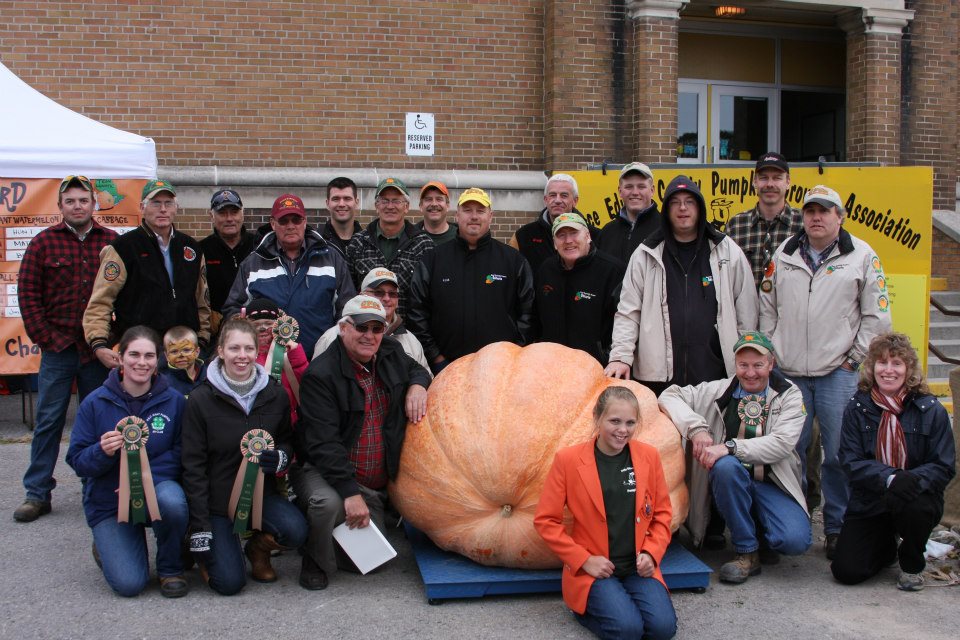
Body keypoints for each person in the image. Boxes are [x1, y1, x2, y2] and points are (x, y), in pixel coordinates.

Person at [759, 184, 893, 559]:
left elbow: (877, 316)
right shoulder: (784, 253)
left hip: (838, 373)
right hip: (789, 373)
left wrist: (855, 359)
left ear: (840, 216)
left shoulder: (862, 256)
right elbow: (766, 305)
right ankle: (792, 524)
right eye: (810, 211)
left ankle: (837, 528)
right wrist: (771, 350)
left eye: (825, 211)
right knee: (789, 452)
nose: (816, 218)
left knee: (837, 455)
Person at [292, 295, 431, 590]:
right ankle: (314, 558)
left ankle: (332, 531)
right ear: (343, 327)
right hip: (325, 469)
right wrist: (349, 493)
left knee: (371, 563)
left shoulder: (391, 352)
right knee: (327, 504)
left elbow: (417, 369)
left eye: (376, 328)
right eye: (361, 327)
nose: (369, 335)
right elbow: (324, 445)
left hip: (370, 480)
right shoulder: (321, 375)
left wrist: (418, 385)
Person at [658, 331, 811, 583]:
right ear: (735, 365)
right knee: (726, 468)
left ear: (771, 364)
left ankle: (765, 535)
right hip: (731, 482)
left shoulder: (790, 395)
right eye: (744, 365)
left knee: (794, 541)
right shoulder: (718, 389)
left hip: (773, 484)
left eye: (758, 365)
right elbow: (669, 395)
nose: (750, 373)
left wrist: (728, 446)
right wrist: (696, 428)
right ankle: (746, 552)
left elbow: (781, 443)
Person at [14, 175, 118, 523]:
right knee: (48, 421)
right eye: (70, 201)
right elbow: (28, 298)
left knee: (99, 421)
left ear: (94, 204)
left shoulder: (112, 243)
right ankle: (37, 493)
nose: (77, 206)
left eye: (83, 200)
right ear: (60, 206)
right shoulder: (43, 244)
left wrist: (108, 340)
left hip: (96, 352)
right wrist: (50, 339)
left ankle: (99, 488)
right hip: (58, 350)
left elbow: (125, 295)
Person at [534, 387, 676, 640]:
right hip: (596, 567)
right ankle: (584, 608)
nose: (623, 430)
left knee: (663, 630)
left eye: (630, 422)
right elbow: (546, 521)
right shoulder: (568, 460)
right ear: (597, 418)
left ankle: (618, 605)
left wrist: (652, 554)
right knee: (628, 630)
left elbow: (662, 513)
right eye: (615, 421)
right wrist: (584, 559)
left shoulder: (649, 456)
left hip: (637, 566)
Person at [181, 317, 308, 594]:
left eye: (248, 349)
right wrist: (201, 523)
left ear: (256, 350)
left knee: (296, 531)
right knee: (229, 584)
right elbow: (193, 466)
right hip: (217, 503)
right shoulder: (200, 400)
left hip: (260, 498)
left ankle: (256, 549)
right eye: (234, 348)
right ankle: (205, 553)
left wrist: (281, 457)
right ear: (221, 350)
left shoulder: (275, 394)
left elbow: (287, 439)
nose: (242, 356)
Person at [65, 326, 189, 598]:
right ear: (120, 358)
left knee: (173, 502)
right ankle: (106, 543)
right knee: (130, 584)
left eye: (149, 356)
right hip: (109, 500)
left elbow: (183, 452)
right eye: (134, 354)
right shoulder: (95, 402)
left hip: (156, 491)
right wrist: (101, 451)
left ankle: (170, 568)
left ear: (159, 361)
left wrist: (143, 479)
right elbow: (76, 460)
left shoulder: (175, 402)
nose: (141, 363)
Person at [605, 176, 757, 395]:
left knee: (712, 430)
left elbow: (746, 311)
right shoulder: (646, 254)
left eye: (690, 202)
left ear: (700, 208)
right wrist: (621, 357)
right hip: (659, 378)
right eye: (675, 202)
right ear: (666, 210)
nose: (683, 208)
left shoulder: (726, 250)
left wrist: (748, 357)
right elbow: (628, 313)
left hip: (715, 373)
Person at [831, 333, 956, 591]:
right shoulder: (857, 407)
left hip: (916, 497)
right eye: (882, 363)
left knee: (918, 507)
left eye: (897, 363)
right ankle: (886, 545)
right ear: (872, 367)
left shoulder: (931, 409)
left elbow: (944, 465)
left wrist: (911, 480)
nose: (889, 370)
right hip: (871, 498)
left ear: (908, 369)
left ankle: (912, 562)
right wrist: (890, 477)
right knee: (847, 571)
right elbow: (850, 460)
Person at [408, 187, 535, 373]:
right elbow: (417, 311)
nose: (474, 216)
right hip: (446, 367)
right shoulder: (433, 259)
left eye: (480, 211)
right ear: (457, 215)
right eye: (467, 210)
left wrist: (513, 353)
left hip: (499, 368)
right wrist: (435, 356)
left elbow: (528, 312)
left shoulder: (513, 260)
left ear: (490, 216)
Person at [84, 179, 211, 361]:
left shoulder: (191, 248)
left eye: (168, 203)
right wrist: (99, 343)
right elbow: (101, 301)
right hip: (140, 350)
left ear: (176, 208)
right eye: (155, 203)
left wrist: (203, 337)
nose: (163, 209)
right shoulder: (123, 248)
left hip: (184, 348)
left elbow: (202, 300)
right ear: (142, 207)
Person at [223, 193, 355, 359]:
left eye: (296, 220)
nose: (290, 226)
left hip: (322, 360)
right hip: (269, 364)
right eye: (284, 221)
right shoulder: (252, 264)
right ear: (273, 224)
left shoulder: (331, 259)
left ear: (305, 222)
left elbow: (348, 309)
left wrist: (336, 349)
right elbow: (234, 310)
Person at [534, 213, 625, 364]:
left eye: (574, 233)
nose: (568, 241)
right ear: (555, 243)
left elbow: (625, 322)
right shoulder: (546, 270)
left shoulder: (613, 271)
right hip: (552, 366)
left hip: (596, 368)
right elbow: (535, 318)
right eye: (561, 235)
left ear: (588, 236)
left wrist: (608, 358)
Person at [345, 177, 435, 319]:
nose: (390, 206)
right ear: (376, 206)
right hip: (367, 330)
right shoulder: (358, 243)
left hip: (409, 332)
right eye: (384, 201)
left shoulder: (423, 244)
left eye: (396, 201)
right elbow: (348, 293)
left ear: (406, 207)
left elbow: (430, 296)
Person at [313, 268, 431, 374]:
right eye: (378, 292)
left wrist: (418, 385)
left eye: (392, 293)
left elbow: (427, 379)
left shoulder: (411, 341)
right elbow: (316, 380)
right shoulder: (331, 337)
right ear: (362, 295)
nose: (386, 298)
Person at [724, 152, 803, 289]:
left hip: (790, 309)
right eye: (763, 178)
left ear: (788, 182)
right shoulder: (735, 226)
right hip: (746, 309)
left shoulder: (803, 225)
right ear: (755, 181)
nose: (770, 184)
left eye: (777, 178)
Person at [508, 173, 600, 272]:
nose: (557, 200)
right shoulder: (523, 236)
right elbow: (511, 271)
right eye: (552, 195)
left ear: (575, 201)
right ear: (546, 199)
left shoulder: (595, 236)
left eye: (564, 195)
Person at [200, 188, 257, 336]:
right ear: (211, 216)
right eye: (222, 213)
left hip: (257, 328)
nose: (229, 218)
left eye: (234, 212)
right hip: (215, 332)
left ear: (242, 214)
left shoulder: (259, 246)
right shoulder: (201, 251)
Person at [246, 297, 309, 425]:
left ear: (278, 325)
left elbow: (306, 383)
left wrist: (295, 353)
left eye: (268, 323)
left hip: (288, 420)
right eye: (256, 325)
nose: (263, 328)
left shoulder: (288, 350)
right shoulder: (244, 354)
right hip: (254, 419)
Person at [597, 163, 661, 263]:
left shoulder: (665, 230)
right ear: (620, 191)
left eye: (641, 186)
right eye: (629, 187)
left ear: (652, 190)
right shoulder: (607, 233)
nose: (635, 192)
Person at [321, 176, 362, 258]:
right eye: (336, 199)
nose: (341, 204)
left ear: (356, 203)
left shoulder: (368, 243)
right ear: (327, 203)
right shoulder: (316, 242)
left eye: (347, 198)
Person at [160, 325, 206, 396]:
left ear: (197, 352)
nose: (181, 355)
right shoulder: (162, 384)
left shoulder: (210, 377)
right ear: (166, 356)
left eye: (186, 350)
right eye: (174, 351)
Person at [416, 180, 457, 245]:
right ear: (421, 206)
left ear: (447, 205)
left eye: (439, 199)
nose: (434, 204)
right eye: (429, 199)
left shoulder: (461, 237)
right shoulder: (409, 238)